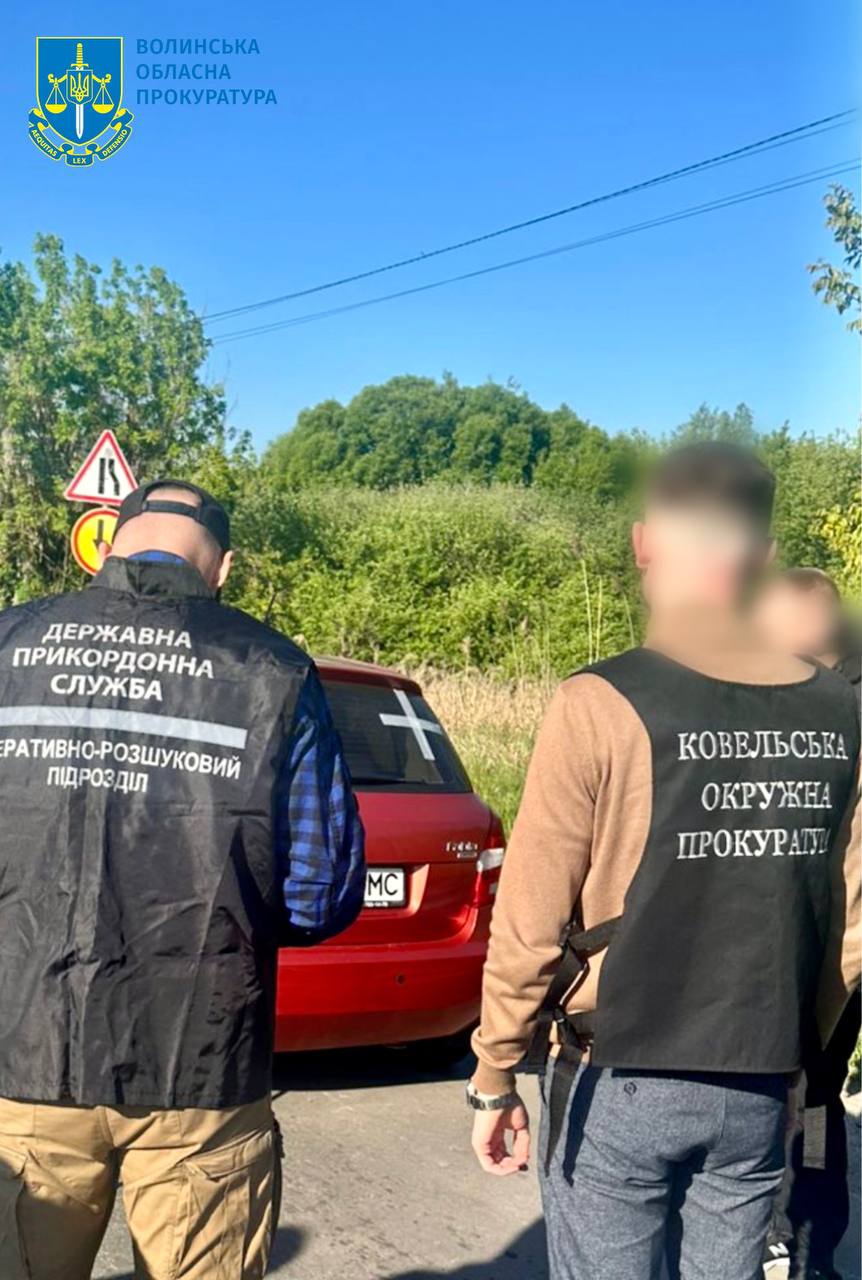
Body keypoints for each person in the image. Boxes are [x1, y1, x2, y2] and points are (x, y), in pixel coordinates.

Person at [466, 443, 860, 1280]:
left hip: (619, 1071)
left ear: (645, 542)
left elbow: (530, 918)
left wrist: (495, 1070)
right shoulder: (840, 711)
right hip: (761, 1072)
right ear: (761, 557)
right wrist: (802, 1056)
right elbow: (850, 922)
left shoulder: (599, 701)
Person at [0, 480, 366, 1279]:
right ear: (223, 567)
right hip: (200, 1064)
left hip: (20, 1057)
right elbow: (319, 894)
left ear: (108, 545)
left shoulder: (8, 645)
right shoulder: (272, 668)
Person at [754, 568, 861, 1280]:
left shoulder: (834, 708)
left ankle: (793, 1244)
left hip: (827, 952)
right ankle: (809, 1246)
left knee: (798, 1096)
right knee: (815, 1099)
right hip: (828, 950)